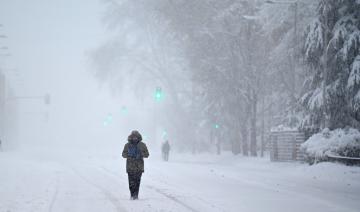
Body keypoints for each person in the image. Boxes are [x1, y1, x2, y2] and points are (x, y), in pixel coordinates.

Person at [122, 130, 149, 200]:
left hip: (139, 167)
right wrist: (129, 155)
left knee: (137, 182)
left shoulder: (142, 145)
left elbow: (147, 154)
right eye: (133, 137)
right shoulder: (127, 145)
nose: (135, 138)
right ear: (131, 137)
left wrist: (140, 154)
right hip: (130, 166)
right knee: (131, 182)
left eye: (136, 137)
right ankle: (132, 194)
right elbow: (123, 154)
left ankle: (136, 195)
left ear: (138, 137)